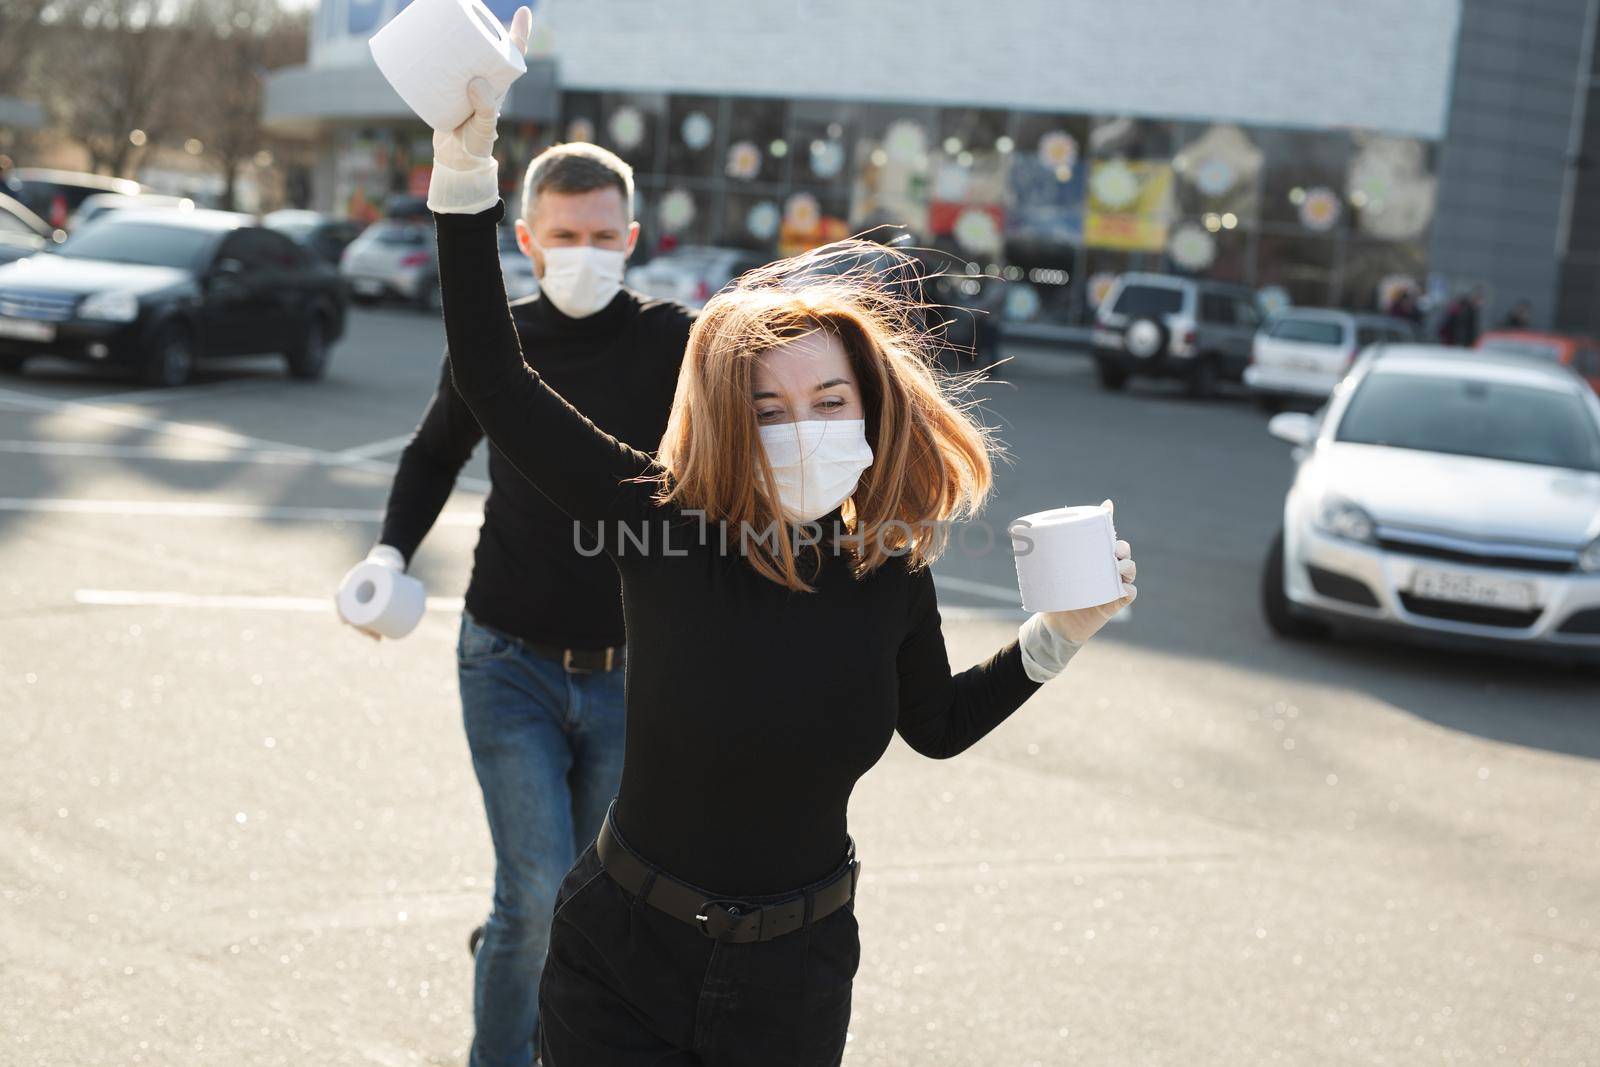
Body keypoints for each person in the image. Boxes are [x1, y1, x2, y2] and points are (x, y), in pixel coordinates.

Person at [427, 20, 1138, 1063]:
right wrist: (464, 170)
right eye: (768, 406)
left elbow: (933, 723)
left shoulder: (888, 563)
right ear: (729, 420)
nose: (800, 424)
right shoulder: (661, 518)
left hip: (795, 979)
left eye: (826, 396)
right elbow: (494, 375)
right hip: (620, 955)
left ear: (867, 409)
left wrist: (1059, 633)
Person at [338, 130, 695, 1067]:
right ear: (528, 242)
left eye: (603, 235)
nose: (585, 252)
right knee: (534, 889)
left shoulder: (674, 346)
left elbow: (737, 451)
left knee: (588, 896)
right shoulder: (499, 346)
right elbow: (431, 452)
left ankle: (534, 999)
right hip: (508, 660)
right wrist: (388, 553)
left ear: (633, 237)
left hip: (630, 675)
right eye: (564, 235)